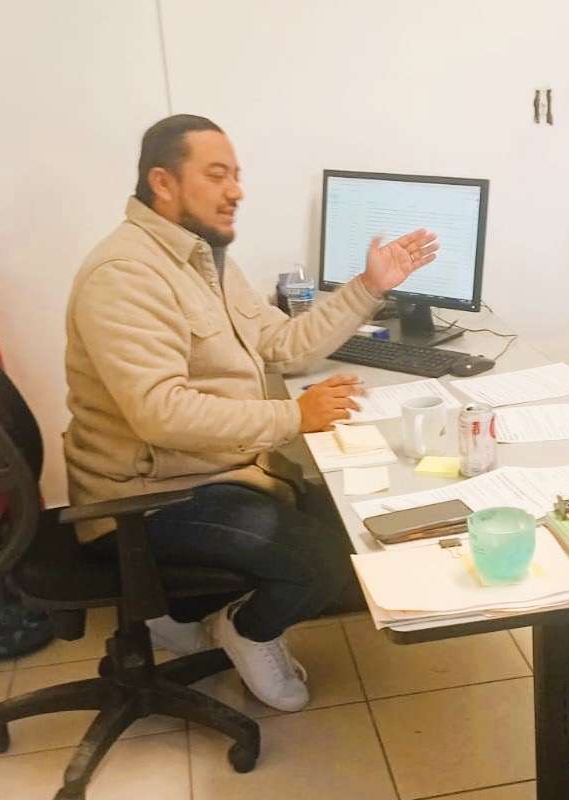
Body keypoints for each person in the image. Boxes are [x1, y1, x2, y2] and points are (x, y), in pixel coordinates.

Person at [63, 114, 438, 711]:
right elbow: (160, 414)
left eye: (236, 175)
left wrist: (369, 286)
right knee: (327, 558)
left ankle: (189, 616)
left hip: (212, 472)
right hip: (147, 499)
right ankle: (244, 628)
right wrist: (294, 417)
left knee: (341, 516)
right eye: (217, 175)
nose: (236, 190)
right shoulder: (125, 276)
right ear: (163, 182)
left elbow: (283, 345)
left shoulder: (202, 258)